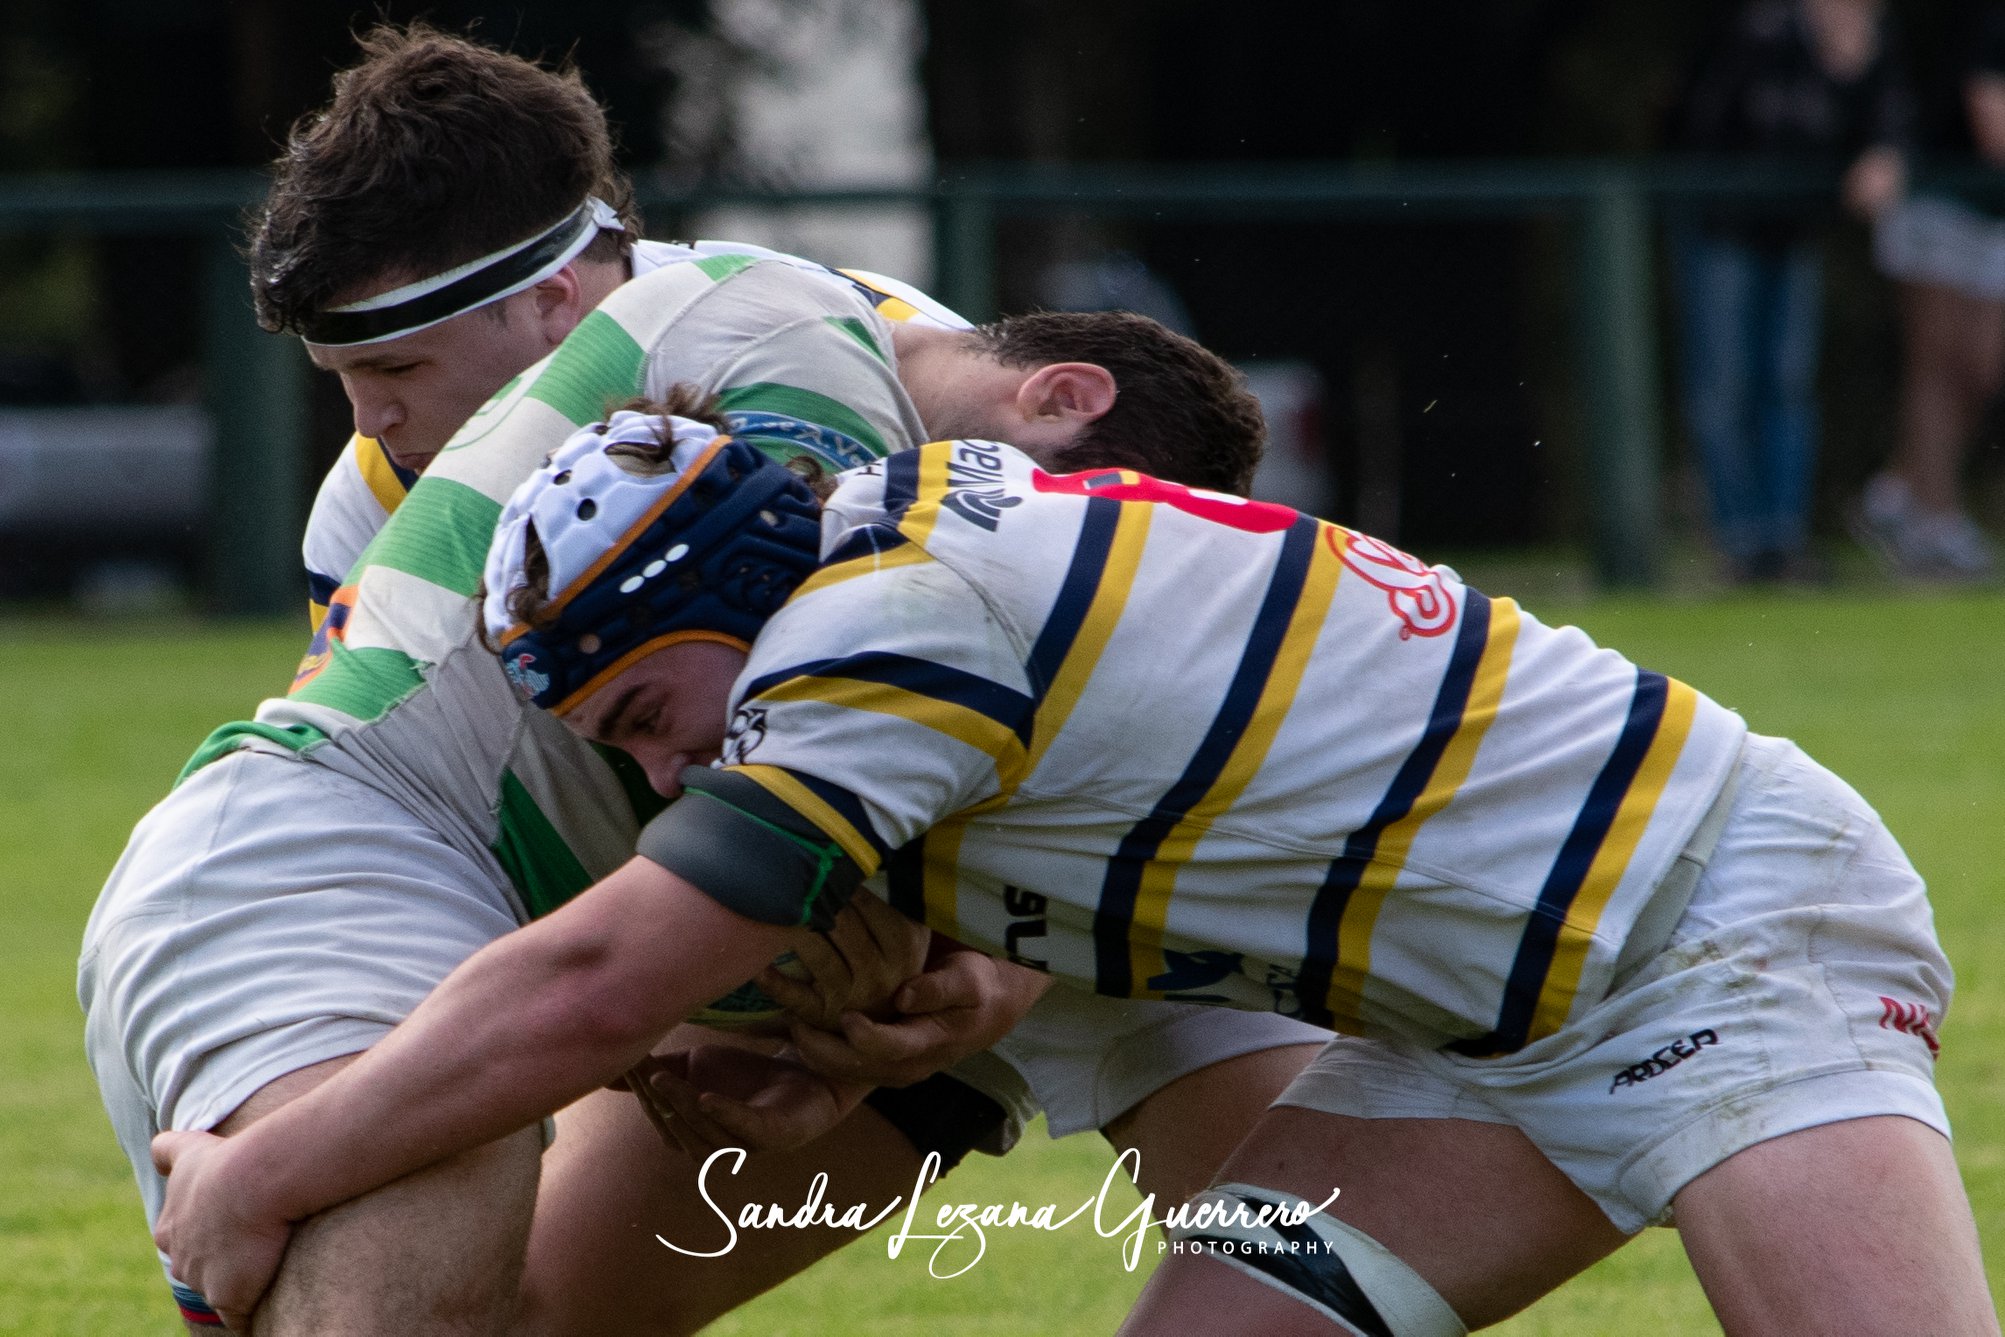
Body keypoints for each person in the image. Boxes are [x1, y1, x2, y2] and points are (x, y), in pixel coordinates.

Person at [152, 405, 1993, 1335]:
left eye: (649, 710)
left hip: (1726, 941)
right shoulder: (906, 560)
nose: (655, 767)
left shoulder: (881, 630)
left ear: (725, 603)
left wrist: (257, 1174)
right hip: (1474, 1043)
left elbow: (589, 979)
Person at [81, 26, 1326, 1334]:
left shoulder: (845, 369)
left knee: (1301, 1213)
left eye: (395, 367)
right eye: (345, 379)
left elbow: (907, 742)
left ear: (561, 298)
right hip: (728, 898)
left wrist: (969, 978)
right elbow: (629, 807)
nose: (374, 421)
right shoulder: (391, 493)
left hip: (889, 890)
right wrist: (743, 1003)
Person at [1667, 0, 1912, 584]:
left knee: (1788, 386)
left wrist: (1885, 152)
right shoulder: (1758, 33)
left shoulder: (1872, 44)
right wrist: (1829, 73)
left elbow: (1890, 129)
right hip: (1723, 230)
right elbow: (1717, 129)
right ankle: (1739, 541)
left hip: (1793, 236)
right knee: (1724, 387)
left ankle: (1782, 538)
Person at [1854, 1, 2005, 583]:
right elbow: (1990, 120)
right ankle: (1934, 521)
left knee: (1983, 369)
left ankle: (1896, 493)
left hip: (1990, 215)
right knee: (1938, 366)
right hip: (1939, 201)